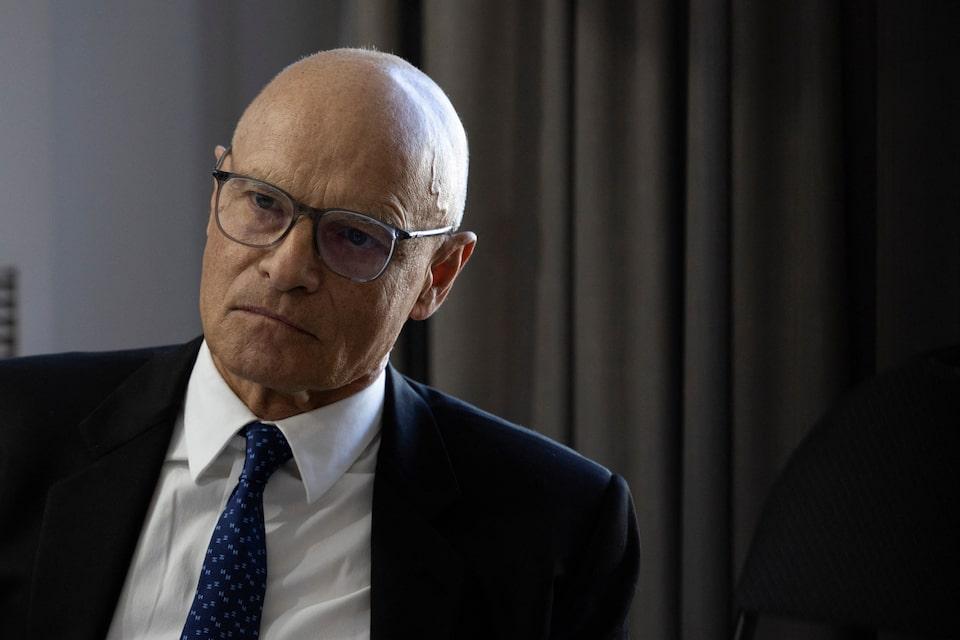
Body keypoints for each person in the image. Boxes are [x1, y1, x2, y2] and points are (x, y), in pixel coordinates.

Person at [0, 49, 639, 639]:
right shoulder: (15, 428)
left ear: (437, 276)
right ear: (216, 196)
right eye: (262, 202)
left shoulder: (555, 525)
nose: (287, 268)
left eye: (356, 236)